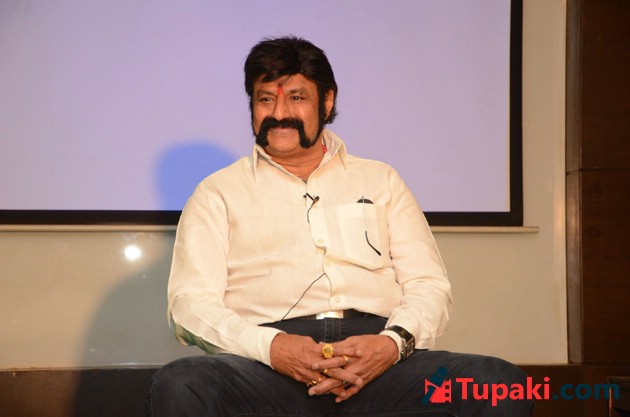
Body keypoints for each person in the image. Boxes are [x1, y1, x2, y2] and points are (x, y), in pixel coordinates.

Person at [147, 35, 532, 417]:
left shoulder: (380, 180)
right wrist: (273, 348)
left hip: (379, 359)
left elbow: (428, 286)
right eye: (265, 99)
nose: (279, 112)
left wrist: (391, 344)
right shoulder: (217, 192)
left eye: (296, 97)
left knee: (496, 381)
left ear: (327, 102)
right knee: (182, 383)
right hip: (266, 365)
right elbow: (189, 305)